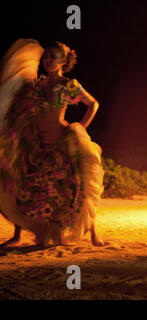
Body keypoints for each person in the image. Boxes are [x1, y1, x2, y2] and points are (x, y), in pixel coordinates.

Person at [0, 39, 104, 247]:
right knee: (23, 185)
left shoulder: (68, 85)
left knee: (79, 185)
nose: (48, 60)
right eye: (46, 56)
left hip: (61, 142)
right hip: (36, 143)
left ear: (64, 61)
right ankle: (17, 235)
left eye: (54, 57)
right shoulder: (37, 85)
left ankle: (93, 230)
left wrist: (81, 127)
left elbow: (93, 104)